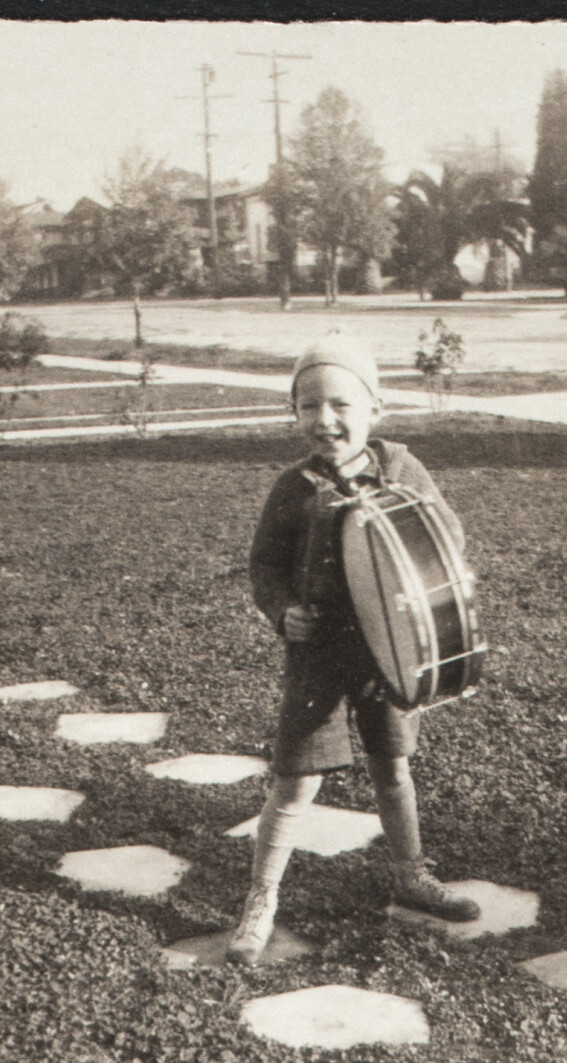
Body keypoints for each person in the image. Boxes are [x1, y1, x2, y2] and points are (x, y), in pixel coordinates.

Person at [231, 330, 480, 965]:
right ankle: (261, 900)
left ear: (374, 409)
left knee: (392, 766)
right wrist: (283, 611)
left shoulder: (400, 466)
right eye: (309, 406)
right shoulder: (293, 487)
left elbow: (442, 535)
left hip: (388, 651)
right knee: (294, 782)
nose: (326, 419)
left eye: (342, 404)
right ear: (294, 413)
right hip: (317, 658)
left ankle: (410, 875)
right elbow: (264, 565)